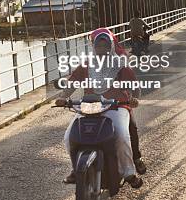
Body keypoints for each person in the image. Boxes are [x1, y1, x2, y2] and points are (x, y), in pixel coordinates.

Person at [56, 28, 144, 189]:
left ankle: (128, 172)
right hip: (90, 105)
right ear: (93, 47)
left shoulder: (120, 64)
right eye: (98, 46)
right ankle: (76, 169)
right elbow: (73, 82)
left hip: (116, 107)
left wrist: (134, 99)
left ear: (110, 47)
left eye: (105, 46)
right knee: (69, 136)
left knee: (121, 136)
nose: (101, 49)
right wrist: (63, 96)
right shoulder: (87, 64)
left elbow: (134, 86)